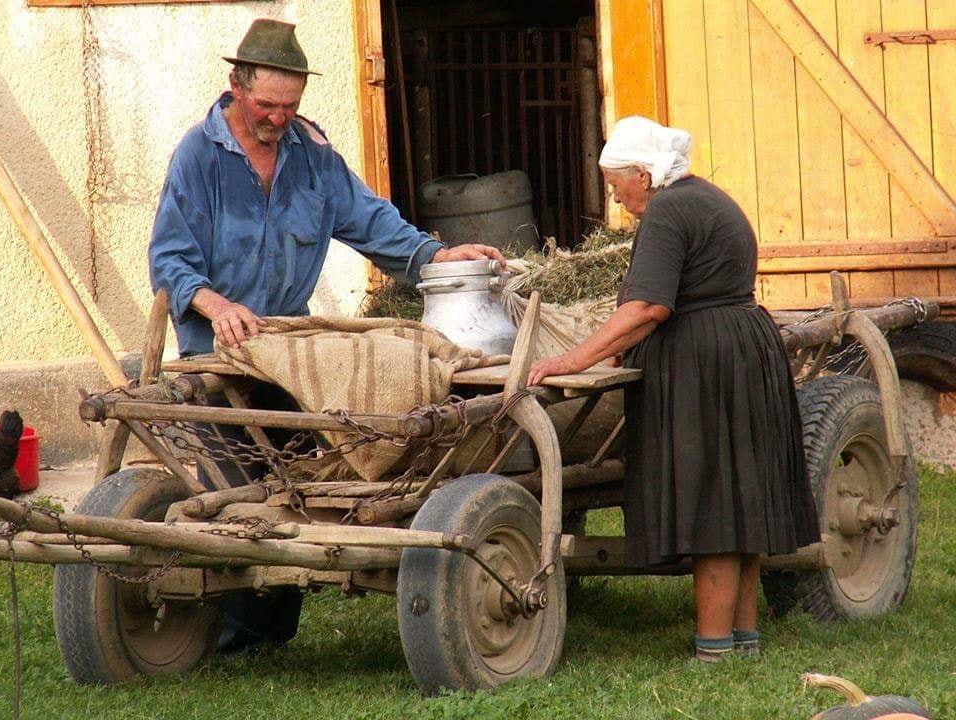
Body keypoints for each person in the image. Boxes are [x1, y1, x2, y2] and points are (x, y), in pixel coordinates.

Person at [147, 18, 503, 652]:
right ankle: (234, 636)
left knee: (292, 493)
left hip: (288, 359)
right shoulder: (197, 158)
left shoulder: (313, 156)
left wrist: (435, 256)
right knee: (235, 498)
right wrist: (213, 301)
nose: (279, 119)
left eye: (290, 106)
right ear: (236, 85)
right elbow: (170, 260)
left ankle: (265, 633)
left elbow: (372, 223)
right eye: (266, 105)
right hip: (217, 360)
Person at [527, 116, 820, 662]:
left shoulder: (666, 210)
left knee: (712, 500)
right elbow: (659, 304)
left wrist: (572, 357)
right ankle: (743, 641)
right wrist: (620, 341)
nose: (618, 200)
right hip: (743, 346)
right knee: (740, 498)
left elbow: (647, 306)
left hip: (707, 363)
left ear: (642, 174)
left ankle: (713, 649)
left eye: (618, 187)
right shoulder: (707, 197)